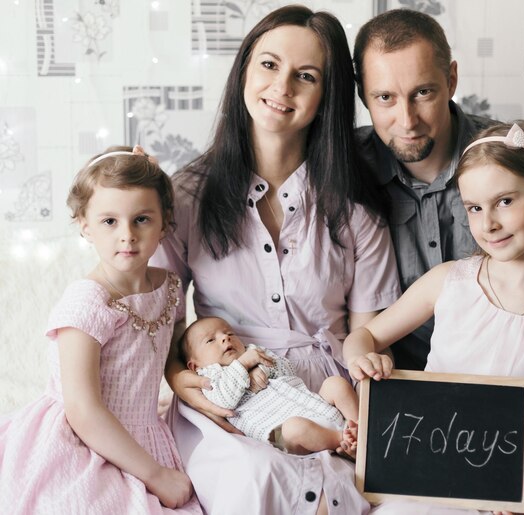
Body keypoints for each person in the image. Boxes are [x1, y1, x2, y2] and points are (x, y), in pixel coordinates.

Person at [151, 5, 400, 514]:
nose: (282, 86)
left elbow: (367, 335)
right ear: (245, 69)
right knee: (255, 474)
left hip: (332, 389)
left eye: (305, 76)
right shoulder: (185, 198)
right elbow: (163, 327)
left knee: (341, 489)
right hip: (229, 391)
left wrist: (360, 398)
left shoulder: (357, 209)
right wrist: (182, 382)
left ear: (325, 97)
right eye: (268, 65)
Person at [352, 8, 524, 463]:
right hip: (420, 387)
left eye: (423, 92)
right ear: (364, 96)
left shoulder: (512, 159)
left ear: (452, 79)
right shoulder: (346, 169)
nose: (407, 119)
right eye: (384, 97)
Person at [344, 121, 524, 515]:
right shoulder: (449, 281)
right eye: (474, 208)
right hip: (420, 468)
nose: (488, 223)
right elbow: (365, 336)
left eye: (505, 201)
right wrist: (362, 356)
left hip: (502, 483)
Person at [0, 146, 202, 514]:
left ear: (165, 222)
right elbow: (83, 408)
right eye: (110, 221)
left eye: (141, 219)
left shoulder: (170, 287)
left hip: (143, 428)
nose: (127, 235)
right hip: (82, 435)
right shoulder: (88, 303)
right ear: (84, 225)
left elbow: (173, 350)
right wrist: (155, 475)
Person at [181, 316, 359, 456]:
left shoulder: (254, 352)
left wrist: (262, 368)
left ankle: (361, 427)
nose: (225, 338)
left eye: (229, 333)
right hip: (279, 436)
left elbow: (289, 371)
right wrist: (242, 366)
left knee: (335, 384)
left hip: (313, 405)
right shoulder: (207, 379)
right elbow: (224, 400)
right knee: (295, 427)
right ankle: (343, 440)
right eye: (211, 340)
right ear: (195, 366)